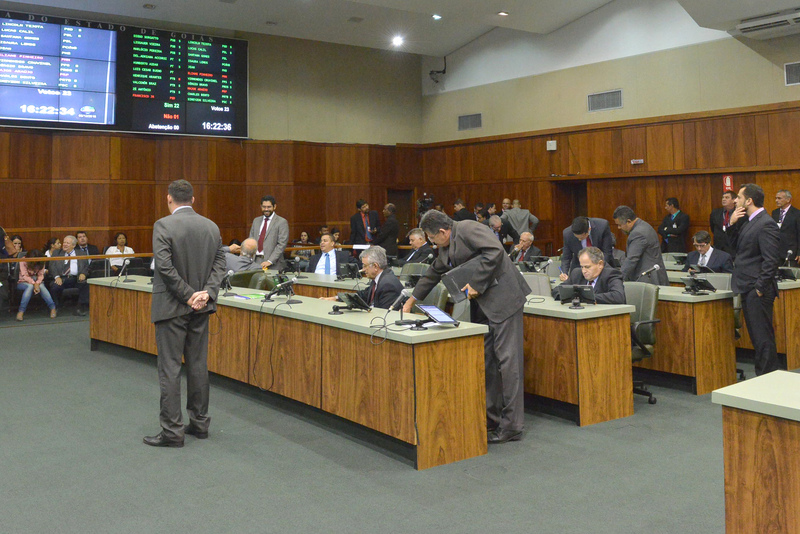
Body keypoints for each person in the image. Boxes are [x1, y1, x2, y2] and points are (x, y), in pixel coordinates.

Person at [402, 210, 531, 444]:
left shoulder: (469, 228)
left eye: (432, 238)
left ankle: (512, 426)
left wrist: (476, 284)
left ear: (443, 232)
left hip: (504, 300)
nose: (432, 243)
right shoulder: (446, 244)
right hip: (483, 306)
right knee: (488, 361)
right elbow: (434, 271)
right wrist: (411, 300)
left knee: (508, 363)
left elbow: (495, 251)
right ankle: (492, 418)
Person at [145, 179, 226, 448]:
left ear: (169, 198)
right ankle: (200, 424)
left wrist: (188, 294)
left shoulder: (163, 225)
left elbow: (164, 267)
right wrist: (206, 293)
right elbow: (220, 264)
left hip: (171, 307)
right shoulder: (211, 226)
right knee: (198, 365)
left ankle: (172, 432)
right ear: (193, 199)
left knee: (170, 369)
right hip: (201, 307)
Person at [728, 184, 781, 376]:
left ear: (749, 201)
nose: (735, 200)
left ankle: (767, 379)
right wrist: (731, 224)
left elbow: (771, 260)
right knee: (757, 338)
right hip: (747, 286)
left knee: (762, 338)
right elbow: (735, 248)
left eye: (739, 197)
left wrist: (759, 287)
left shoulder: (766, 223)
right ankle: (763, 378)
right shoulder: (748, 222)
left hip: (757, 289)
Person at [321, 246, 402, 308]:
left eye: (365, 266)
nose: (363, 269)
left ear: (375, 266)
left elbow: (383, 314)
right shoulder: (379, 278)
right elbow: (362, 295)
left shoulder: (388, 284)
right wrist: (336, 298)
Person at [613, 206, 668, 285]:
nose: (619, 228)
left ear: (628, 221)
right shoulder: (644, 226)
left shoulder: (638, 233)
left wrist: (617, 281)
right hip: (652, 277)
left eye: (620, 225)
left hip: (647, 280)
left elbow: (632, 259)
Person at [552, 247, 626, 305]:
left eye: (587, 267)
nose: (584, 271)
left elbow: (618, 297)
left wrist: (585, 297)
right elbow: (557, 290)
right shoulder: (577, 273)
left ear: (600, 264)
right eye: (582, 267)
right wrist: (572, 297)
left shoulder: (612, 274)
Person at [50, 235, 90, 315]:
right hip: (62, 278)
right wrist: (57, 277)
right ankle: (56, 307)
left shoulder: (81, 253)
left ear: (73, 245)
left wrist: (83, 273)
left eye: (67, 243)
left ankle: (80, 308)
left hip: (76, 278)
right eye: (64, 242)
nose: (64, 244)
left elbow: (87, 266)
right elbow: (52, 266)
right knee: (55, 287)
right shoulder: (57, 253)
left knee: (85, 284)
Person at [248, 195, 289, 271]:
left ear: (274, 207)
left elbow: (281, 244)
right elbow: (251, 240)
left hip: (273, 264)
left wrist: (270, 261)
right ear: (261, 207)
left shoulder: (282, 222)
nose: (266, 209)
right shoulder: (256, 221)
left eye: (269, 207)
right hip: (255, 262)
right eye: (264, 207)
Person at [15, 249, 57, 321]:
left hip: (37, 281)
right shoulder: (23, 260)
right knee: (30, 286)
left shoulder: (41, 261)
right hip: (23, 282)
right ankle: (21, 311)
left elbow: (41, 275)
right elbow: (24, 275)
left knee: (41, 286)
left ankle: (52, 308)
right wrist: (34, 283)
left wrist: (37, 283)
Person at [772, 189, 800, 266]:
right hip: (777, 252)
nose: (776, 200)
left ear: (788, 200)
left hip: (791, 252)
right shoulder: (775, 212)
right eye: (776, 198)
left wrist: (799, 252)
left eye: (779, 198)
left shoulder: (797, 214)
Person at [709, 191, 737, 256]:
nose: (723, 199)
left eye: (727, 197)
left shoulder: (738, 213)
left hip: (733, 247)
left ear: (734, 200)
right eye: (723, 197)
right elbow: (712, 228)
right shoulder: (715, 212)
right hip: (718, 246)